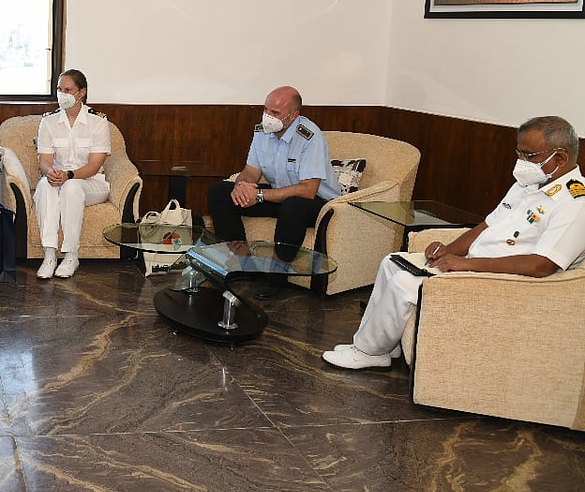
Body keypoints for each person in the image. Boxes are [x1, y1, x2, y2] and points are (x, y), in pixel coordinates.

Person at [324, 115, 585, 370]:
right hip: (479, 265)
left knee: (406, 283)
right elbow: (486, 226)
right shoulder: (528, 184)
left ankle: (367, 351)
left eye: (529, 156)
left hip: (510, 281)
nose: (521, 162)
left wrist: (467, 265)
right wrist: (447, 251)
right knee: (393, 262)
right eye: (518, 153)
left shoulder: (575, 202)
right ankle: (383, 346)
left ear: (560, 158)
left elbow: (542, 265)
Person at [206, 86, 342, 260]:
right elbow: (251, 171)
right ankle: (237, 261)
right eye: (266, 109)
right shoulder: (262, 131)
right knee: (219, 192)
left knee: (293, 206)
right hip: (281, 197)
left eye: (275, 112)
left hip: (318, 204)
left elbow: (308, 190)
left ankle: (277, 275)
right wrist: (242, 186)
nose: (268, 117)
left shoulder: (309, 136)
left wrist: (260, 195)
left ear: (293, 115)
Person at [33, 69, 111, 279]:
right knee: (44, 186)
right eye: (59, 89)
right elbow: (45, 162)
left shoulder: (99, 121)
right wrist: (51, 173)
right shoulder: (48, 121)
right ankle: (49, 254)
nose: (62, 94)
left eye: (67, 90)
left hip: (91, 182)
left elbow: (94, 165)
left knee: (72, 186)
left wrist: (68, 175)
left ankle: (71, 255)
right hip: (59, 177)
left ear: (81, 93)